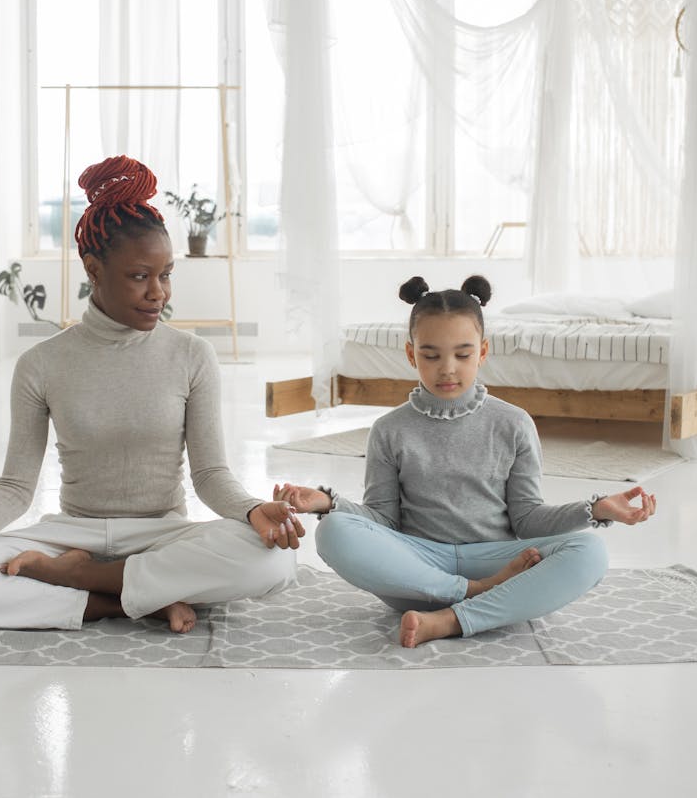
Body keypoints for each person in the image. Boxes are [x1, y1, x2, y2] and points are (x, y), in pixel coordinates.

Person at [0, 155, 303, 633]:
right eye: (140, 276)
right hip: (70, 533)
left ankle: (83, 581)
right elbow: (14, 489)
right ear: (93, 270)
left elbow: (210, 474)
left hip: (161, 533)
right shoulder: (41, 364)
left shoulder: (192, 355)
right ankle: (120, 600)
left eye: (166, 274)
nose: (158, 292)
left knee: (275, 563)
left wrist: (251, 510)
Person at [276, 275, 656, 648]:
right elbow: (383, 520)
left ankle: (449, 621)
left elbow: (528, 518)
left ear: (483, 351)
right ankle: (477, 596)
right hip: (419, 573)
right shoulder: (389, 430)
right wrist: (328, 504)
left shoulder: (514, 424)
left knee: (590, 552)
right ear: (411, 354)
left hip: (497, 562)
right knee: (334, 530)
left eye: (463, 354)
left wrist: (595, 509)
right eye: (430, 355)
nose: (448, 368)